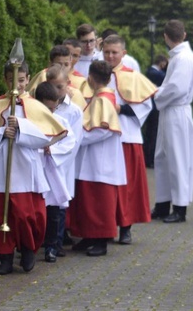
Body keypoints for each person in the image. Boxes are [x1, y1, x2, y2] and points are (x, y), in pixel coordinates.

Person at [0, 61, 67, 275]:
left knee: (26, 214)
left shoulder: (36, 106)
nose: (17, 85)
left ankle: (28, 250)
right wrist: (2, 132)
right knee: (2, 214)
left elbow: (46, 137)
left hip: (26, 167)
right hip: (3, 167)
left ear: (28, 79)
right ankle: (5, 256)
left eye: (21, 80)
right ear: (5, 80)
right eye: (12, 80)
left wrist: (21, 128)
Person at [101, 35, 157, 244]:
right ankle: (104, 228)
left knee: (128, 187)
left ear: (123, 54)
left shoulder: (133, 77)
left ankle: (126, 227)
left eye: (114, 52)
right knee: (104, 186)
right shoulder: (96, 75)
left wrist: (120, 108)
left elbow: (144, 107)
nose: (110, 56)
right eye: (107, 52)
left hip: (126, 137)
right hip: (102, 139)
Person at [69, 60, 124, 257]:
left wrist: (78, 138)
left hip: (101, 159)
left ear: (90, 78)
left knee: (100, 201)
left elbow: (103, 129)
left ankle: (101, 240)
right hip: (93, 158)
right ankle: (89, 236)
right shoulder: (101, 97)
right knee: (88, 199)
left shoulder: (102, 100)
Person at [152, 20, 193, 223]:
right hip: (171, 111)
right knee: (162, 156)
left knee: (178, 159)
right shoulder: (179, 57)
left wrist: (158, 94)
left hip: (177, 111)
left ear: (165, 37)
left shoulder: (183, 58)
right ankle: (163, 203)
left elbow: (176, 88)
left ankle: (180, 208)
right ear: (184, 34)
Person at [34, 81, 78, 263]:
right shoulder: (31, 121)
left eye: (54, 108)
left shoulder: (61, 122)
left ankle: (51, 247)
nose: (51, 113)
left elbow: (70, 142)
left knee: (53, 212)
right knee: (35, 212)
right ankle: (29, 245)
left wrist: (52, 150)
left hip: (51, 171)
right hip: (35, 171)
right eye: (47, 108)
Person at [144, 54, 169, 168]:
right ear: (162, 63)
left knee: (151, 133)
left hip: (152, 106)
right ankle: (149, 158)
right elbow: (167, 77)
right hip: (154, 107)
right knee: (153, 133)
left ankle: (149, 157)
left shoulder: (151, 71)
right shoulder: (154, 73)